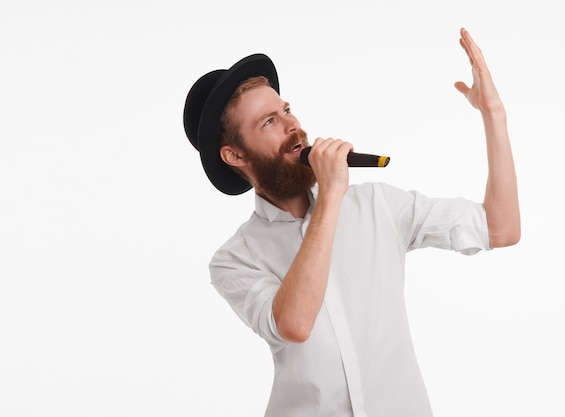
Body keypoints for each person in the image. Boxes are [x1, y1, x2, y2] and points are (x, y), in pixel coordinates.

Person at [183, 28, 520, 417]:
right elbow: (293, 324)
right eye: (269, 122)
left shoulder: (378, 205)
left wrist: (494, 114)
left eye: (287, 109)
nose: (292, 125)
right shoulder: (234, 259)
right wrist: (329, 196)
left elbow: (501, 228)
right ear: (235, 155)